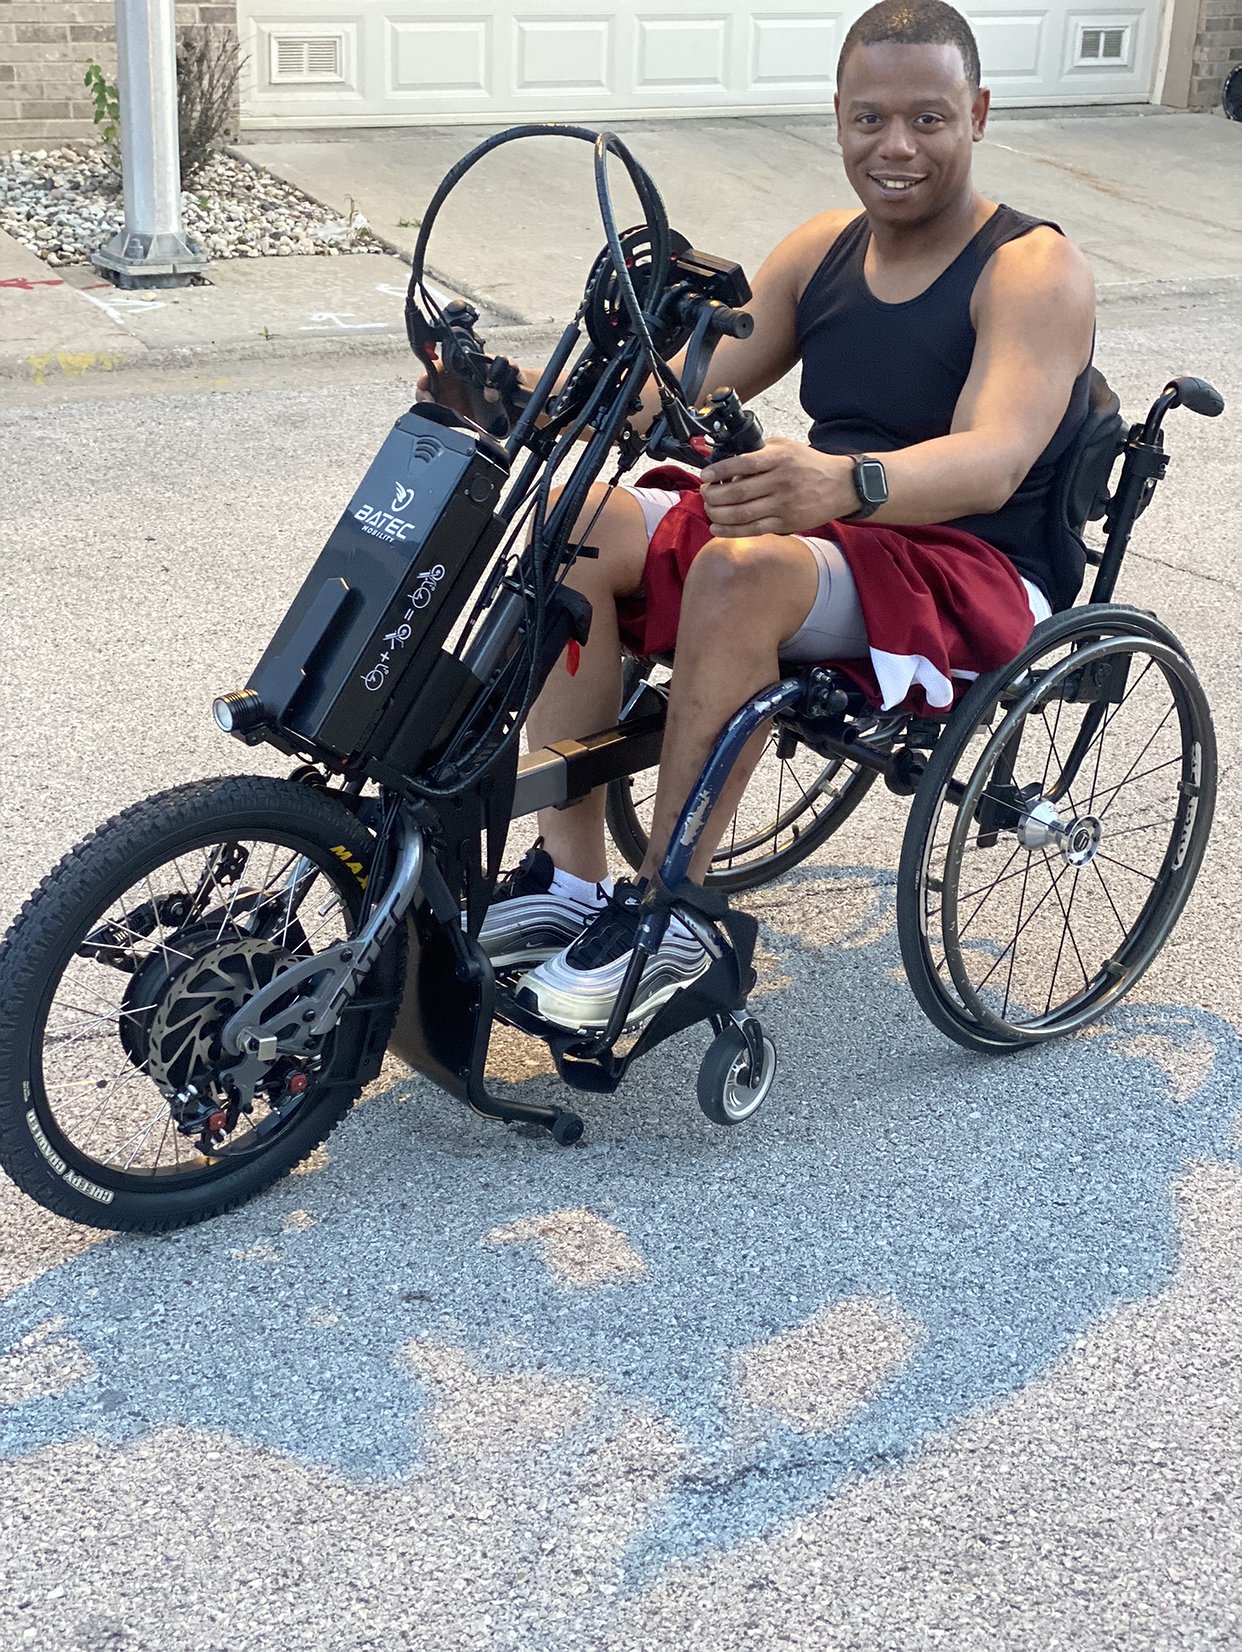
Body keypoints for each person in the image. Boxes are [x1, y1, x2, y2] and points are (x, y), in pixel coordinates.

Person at [437, 0, 1097, 1033]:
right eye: (870, 118)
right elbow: (674, 391)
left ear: (978, 114)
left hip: (968, 558)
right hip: (834, 526)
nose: (896, 147)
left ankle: (672, 914)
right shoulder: (824, 249)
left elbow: (991, 462)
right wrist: (511, 388)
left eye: (928, 119)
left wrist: (843, 484)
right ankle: (571, 880)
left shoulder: (1030, 268)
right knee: (588, 514)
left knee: (740, 570)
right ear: (836, 114)